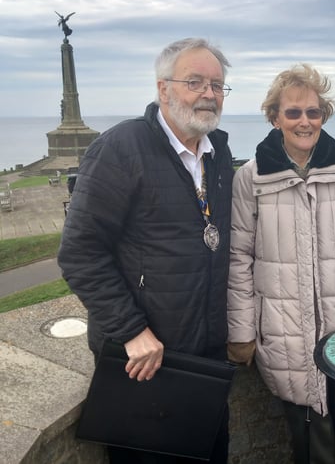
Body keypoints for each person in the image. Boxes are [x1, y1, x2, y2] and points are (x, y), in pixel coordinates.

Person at [58, 37, 234, 463]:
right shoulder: (121, 149)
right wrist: (132, 331)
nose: (208, 94)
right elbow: (80, 252)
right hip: (144, 363)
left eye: (217, 85)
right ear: (163, 89)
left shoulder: (218, 153)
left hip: (204, 360)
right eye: (195, 82)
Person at [227, 63, 335, 464]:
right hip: (281, 333)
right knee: (305, 441)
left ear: (324, 115)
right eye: (293, 112)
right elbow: (239, 261)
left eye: (313, 112)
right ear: (275, 117)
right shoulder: (249, 179)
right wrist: (241, 332)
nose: (305, 122)